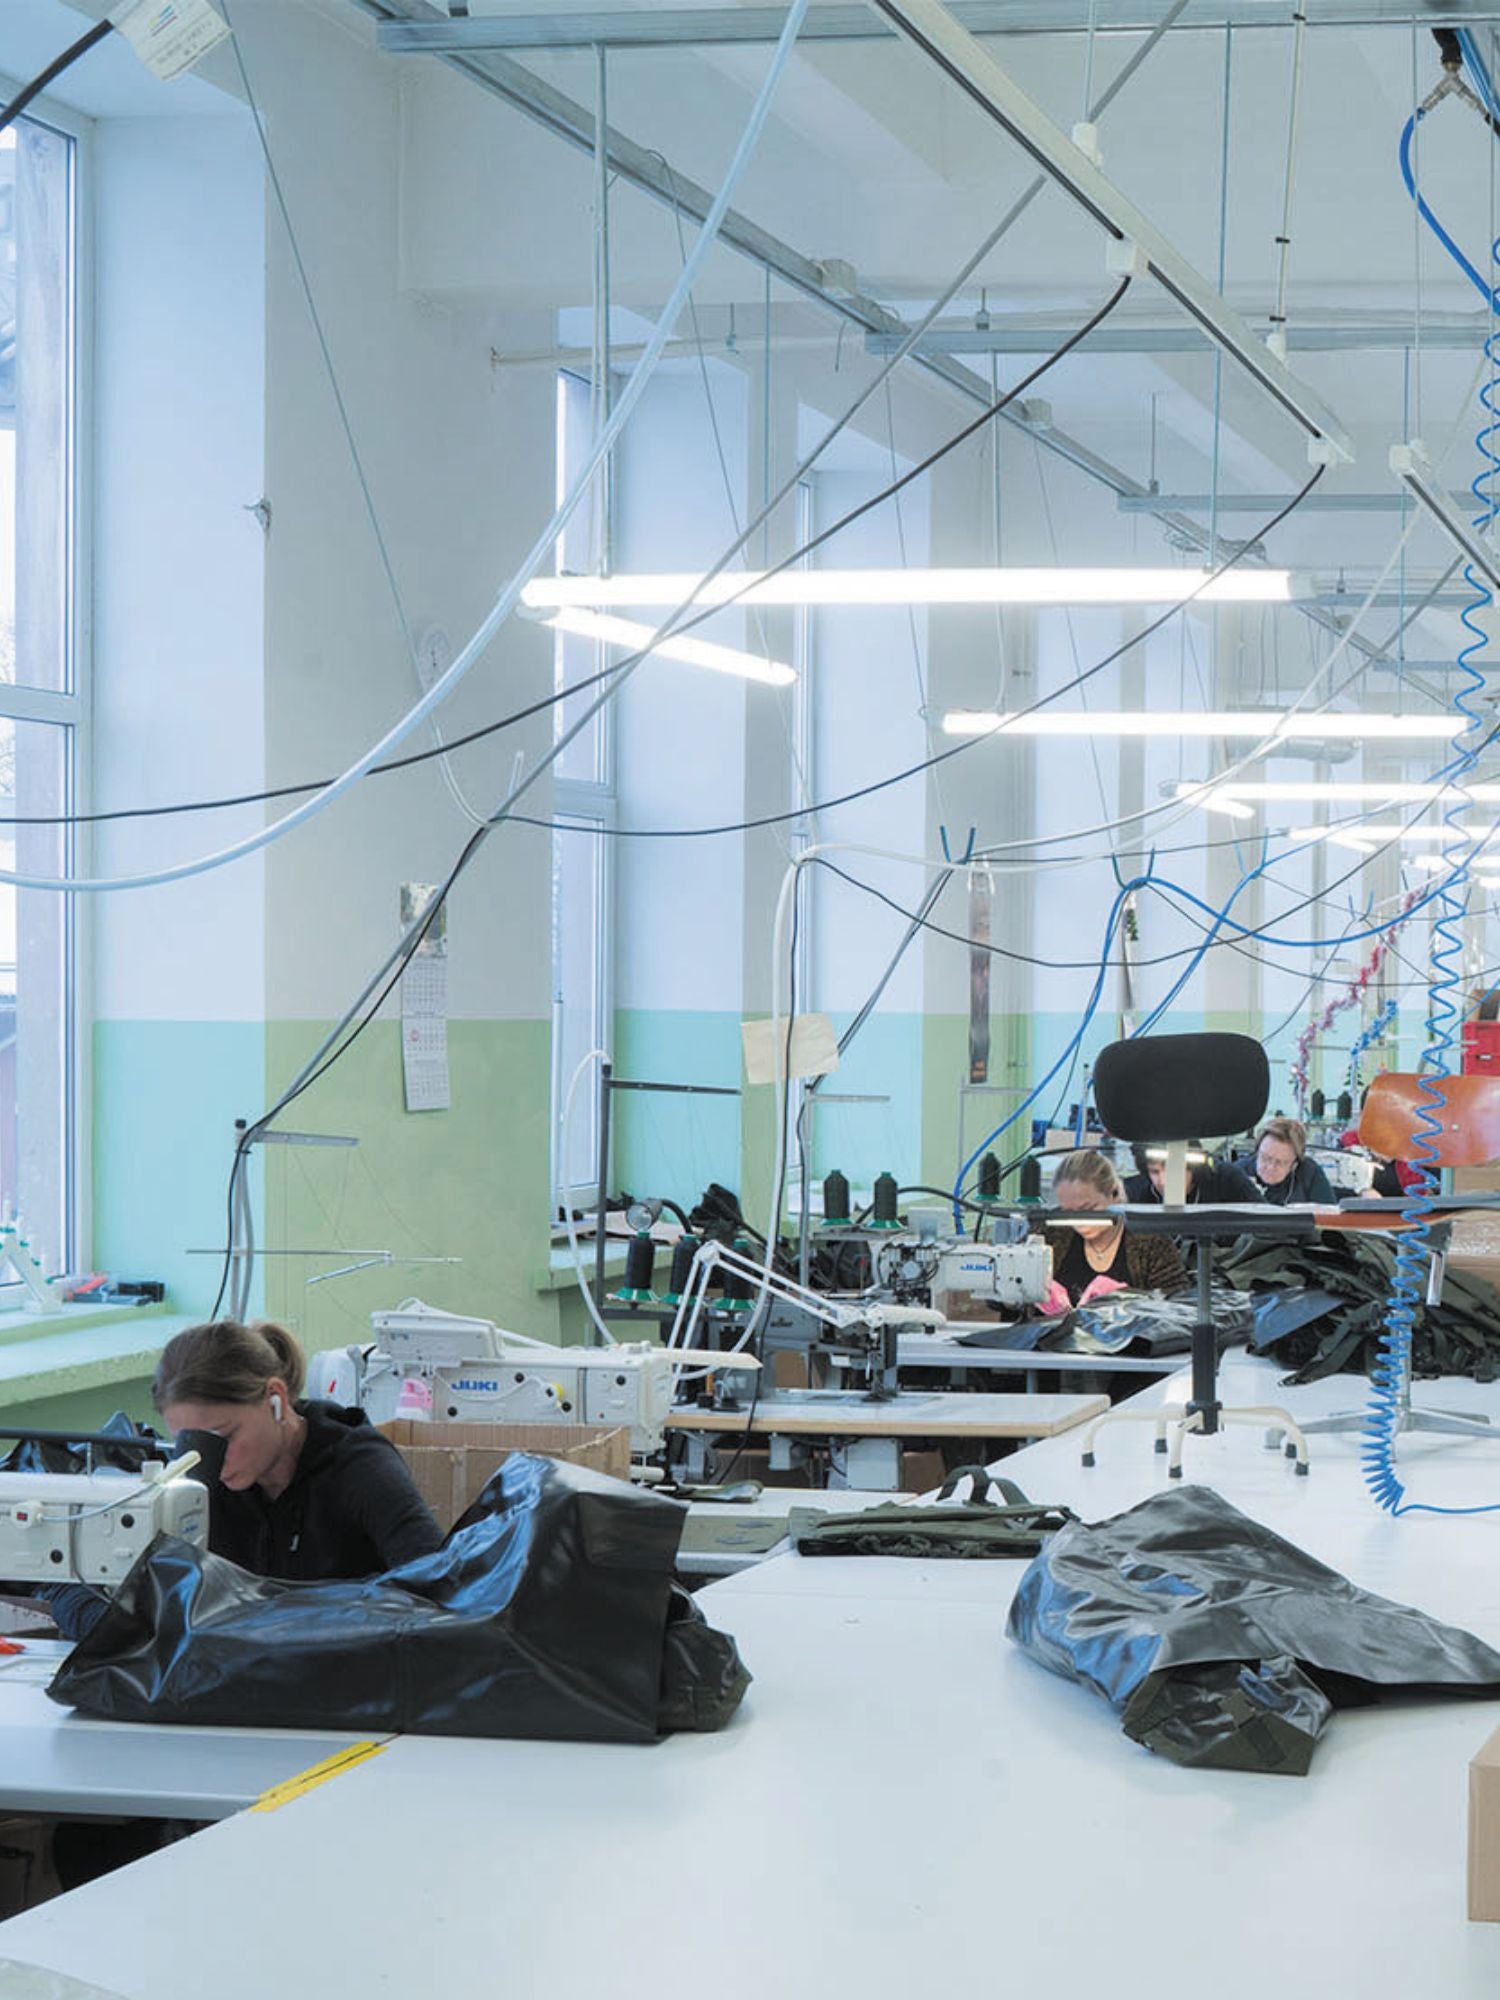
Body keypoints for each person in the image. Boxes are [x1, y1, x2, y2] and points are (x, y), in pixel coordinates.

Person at [32, 1319, 444, 1641]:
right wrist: (116, 1627)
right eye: (188, 1442)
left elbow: (442, 1587)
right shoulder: (197, 1480)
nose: (212, 1463)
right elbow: (66, 1585)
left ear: (275, 1399)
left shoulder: (358, 1467)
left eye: (224, 1437)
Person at [1047, 1150, 1188, 1304]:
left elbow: (1179, 1302)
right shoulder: (1052, 1234)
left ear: (1114, 1194)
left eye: (1088, 1209)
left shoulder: (1150, 1241)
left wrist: (1130, 1297)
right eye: (1068, 1212)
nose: (1078, 1222)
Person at [1123, 1145, 1263, 1207]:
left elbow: (1270, 1223)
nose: (1163, 1181)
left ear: (1193, 1166)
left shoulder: (1227, 1179)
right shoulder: (1137, 1192)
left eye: (1172, 1171)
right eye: (1154, 1172)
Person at [1242, 1117, 1335, 1206]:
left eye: (1280, 1162)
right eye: (1265, 1158)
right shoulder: (1239, 1172)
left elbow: (1330, 1218)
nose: (1270, 1167)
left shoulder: (1310, 1174)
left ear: (1294, 1165)